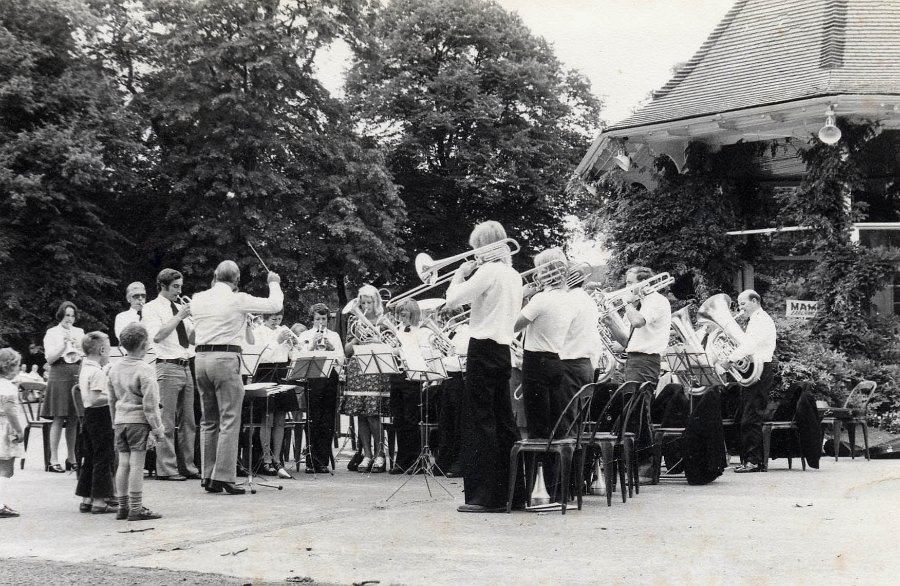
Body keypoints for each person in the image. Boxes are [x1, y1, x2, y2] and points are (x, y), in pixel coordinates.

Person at [445, 221, 525, 513]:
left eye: (476, 246)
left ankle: (484, 496)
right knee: (504, 421)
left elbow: (452, 300)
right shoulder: (513, 275)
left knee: (479, 422)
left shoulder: (488, 271)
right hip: (502, 349)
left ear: (485, 245)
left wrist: (459, 274)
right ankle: (513, 493)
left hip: (482, 347)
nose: (474, 253)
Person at [191, 260, 282, 494]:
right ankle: (224, 477)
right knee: (230, 418)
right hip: (225, 357)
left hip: (200, 359)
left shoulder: (199, 297)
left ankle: (207, 475)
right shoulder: (237, 298)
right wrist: (274, 283)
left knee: (208, 420)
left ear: (215, 276)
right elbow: (274, 305)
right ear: (236, 280)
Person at [514, 248, 578, 503]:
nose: (537, 275)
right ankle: (561, 487)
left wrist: (522, 298)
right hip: (555, 360)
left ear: (548, 271)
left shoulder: (540, 299)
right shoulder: (569, 299)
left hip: (536, 362)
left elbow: (512, 325)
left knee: (538, 429)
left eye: (540, 270)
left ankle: (541, 488)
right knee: (556, 426)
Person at [141, 268, 200, 481]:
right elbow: (157, 336)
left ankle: (188, 466)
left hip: (186, 364)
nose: (179, 291)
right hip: (166, 365)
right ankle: (167, 468)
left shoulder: (180, 307)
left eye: (181, 286)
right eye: (175, 287)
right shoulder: (151, 308)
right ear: (163, 286)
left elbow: (192, 339)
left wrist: (199, 321)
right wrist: (179, 316)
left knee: (189, 421)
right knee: (166, 421)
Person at [107, 323, 165, 521]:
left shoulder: (114, 368)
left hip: (120, 421)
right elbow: (150, 404)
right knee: (137, 466)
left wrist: (114, 420)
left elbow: (111, 399)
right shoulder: (145, 369)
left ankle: (122, 506)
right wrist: (157, 429)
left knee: (123, 464)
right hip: (138, 423)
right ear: (144, 345)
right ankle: (136, 507)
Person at [621, 265, 671, 482]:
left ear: (645, 283)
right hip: (634, 360)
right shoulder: (642, 304)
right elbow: (626, 340)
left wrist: (626, 304)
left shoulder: (656, 301)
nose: (627, 288)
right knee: (632, 413)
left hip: (646, 360)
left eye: (630, 283)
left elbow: (638, 321)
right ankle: (635, 464)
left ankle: (647, 466)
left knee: (640, 412)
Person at [721, 289, 777, 473]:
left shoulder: (761, 319)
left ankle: (753, 461)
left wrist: (730, 359)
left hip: (760, 369)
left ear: (755, 301)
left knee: (751, 416)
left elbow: (750, 345)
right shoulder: (755, 320)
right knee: (745, 415)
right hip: (754, 368)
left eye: (743, 303)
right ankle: (749, 459)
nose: (740, 308)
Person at [341, 285, 391, 474]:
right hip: (357, 368)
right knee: (361, 413)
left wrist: (377, 340)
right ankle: (367, 454)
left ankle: (380, 453)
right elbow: (346, 351)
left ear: (376, 302)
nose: (366, 306)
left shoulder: (383, 320)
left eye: (369, 302)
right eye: (363, 303)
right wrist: (356, 340)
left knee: (373, 412)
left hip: (376, 368)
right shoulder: (354, 321)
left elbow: (391, 345)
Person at [293, 304, 344, 473]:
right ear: (312, 320)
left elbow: (342, 360)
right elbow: (297, 357)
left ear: (327, 320)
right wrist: (311, 347)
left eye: (323, 319)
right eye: (317, 319)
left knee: (327, 419)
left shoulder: (334, 336)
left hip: (330, 377)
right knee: (313, 418)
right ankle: (311, 460)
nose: (321, 322)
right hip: (313, 378)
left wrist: (331, 348)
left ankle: (322, 461)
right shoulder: (305, 335)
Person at [75, 332, 117, 514]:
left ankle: (87, 498)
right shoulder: (97, 372)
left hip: (89, 417)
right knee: (103, 457)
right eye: (108, 350)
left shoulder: (86, 369)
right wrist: (114, 397)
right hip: (100, 416)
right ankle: (100, 500)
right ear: (101, 350)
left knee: (90, 457)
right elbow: (95, 398)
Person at [41, 301, 84, 473]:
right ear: (61, 315)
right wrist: (64, 344)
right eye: (67, 315)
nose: (70, 319)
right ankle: (53, 459)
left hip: (75, 372)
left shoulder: (79, 332)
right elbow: (50, 359)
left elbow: (85, 353)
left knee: (73, 418)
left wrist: (79, 346)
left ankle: (72, 458)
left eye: (72, 315)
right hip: (58, 372)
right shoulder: (52, 333)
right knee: (59, 417)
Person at [250, 310, 294, 478]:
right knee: (267, 418)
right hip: (265, 372)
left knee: (280, 419)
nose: (277, 321)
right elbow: (262, 356)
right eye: (274, 318)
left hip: (282, 371)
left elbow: (290, 356)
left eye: (280, 318)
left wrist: (292, 347)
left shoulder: (284, 329)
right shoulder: (258, 331)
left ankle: (277, 458)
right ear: (266, 317)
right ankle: (266, 459)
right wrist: (277, 341)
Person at [388, 299, 426, 474]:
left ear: (413, 314)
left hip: (413, 377)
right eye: (399, 315)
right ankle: (402, 461)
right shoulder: (397, 331)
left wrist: (402, 351)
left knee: (412, 420)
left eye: (404, 314)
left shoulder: (420, 332)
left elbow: (422, 353)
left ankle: (415, 460)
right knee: (399, 420)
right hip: (397, 377)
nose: (400, 318)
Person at [0, 348, 27, 518]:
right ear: (9, 367)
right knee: (3, 469)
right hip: (4, 429)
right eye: (16, 366)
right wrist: (19, 430)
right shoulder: (8, 387)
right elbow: (10, 410)